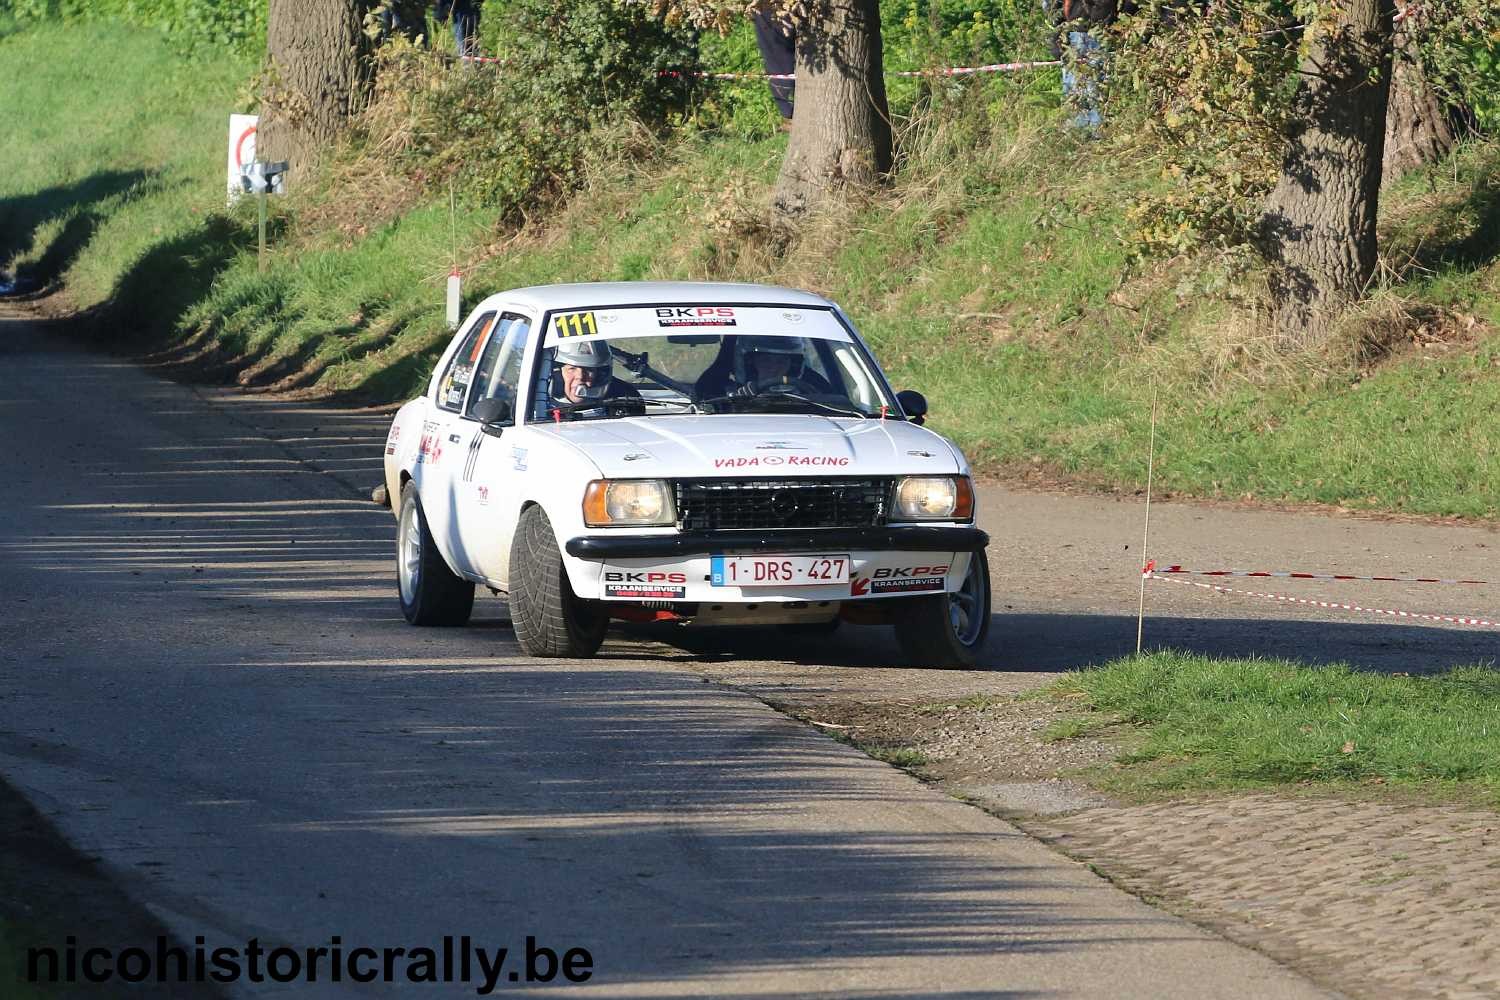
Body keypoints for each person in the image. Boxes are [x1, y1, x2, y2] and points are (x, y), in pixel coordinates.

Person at [549, 340, 642, 419]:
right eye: (572, 369)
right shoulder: (537, 406)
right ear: (557, 375)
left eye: (588, 369)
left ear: (599, 375)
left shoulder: (624, 400)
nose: (580, 376)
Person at [752, 3, 796, 126]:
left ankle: (789, 111)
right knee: (778, 58)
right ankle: (789, 112)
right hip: (769, 10)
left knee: (778, 59)